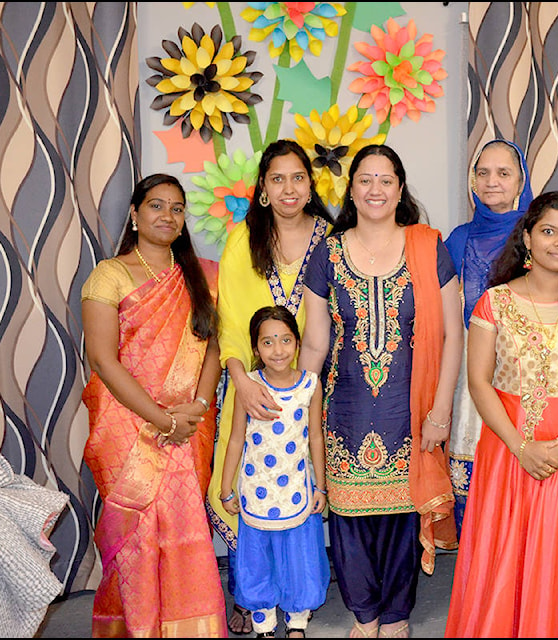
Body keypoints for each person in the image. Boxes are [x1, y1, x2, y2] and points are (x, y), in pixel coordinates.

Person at [299, 144, 463, 639]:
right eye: (365, 180)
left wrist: (440, 411)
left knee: (399, 518)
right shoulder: (327, 251)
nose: (375, 189)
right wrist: (298, 409)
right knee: (349, 519)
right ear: (351, 189)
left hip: (409, 407)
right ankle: (364, 615)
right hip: (344, 407)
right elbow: (313, 339)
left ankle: (396, 617)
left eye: (385, 180)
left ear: (399, 188)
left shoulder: (428, 245)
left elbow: (453, 333)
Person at [444, 191, 558, 637]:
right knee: (503, 556)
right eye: (549, 231)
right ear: (527, 237)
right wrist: (521, 447)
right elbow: (479, 382)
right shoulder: (494, 302)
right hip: (506, 447)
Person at [81, 173, 226, 637]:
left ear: (184, 221)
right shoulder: (111, 274)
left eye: (177, 209)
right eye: (157, 206)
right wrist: (161, 418)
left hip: (188, 424)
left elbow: (213, 350)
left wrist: (198, 407)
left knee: (186, 533)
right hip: (127, 426)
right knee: (139, 539)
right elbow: (103, 359)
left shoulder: (204, 276)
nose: (167, 216)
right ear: (135, 214)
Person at [206, 139, 333, 635]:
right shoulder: (244, 240)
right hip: (251, 386)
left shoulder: (331, 237)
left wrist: (308, 380)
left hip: (311, 389)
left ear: (310, 184)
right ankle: (251, 594)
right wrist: (242, 381)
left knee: (302, 487)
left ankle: (297, 597)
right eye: (276, 178)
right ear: (262, 188)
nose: (288, 188)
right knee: (243, 482)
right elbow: (232, 320)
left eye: (297, 177)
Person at [219, 305, 330, 639]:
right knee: (258, 558)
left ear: (297, 343)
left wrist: (320, 488)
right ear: (256, 348)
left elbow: (315, 437)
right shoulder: (249, 386)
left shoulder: (310, 385)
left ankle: (297, 621)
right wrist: (226, 489)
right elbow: (236, 439)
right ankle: (264, 622)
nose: (278, 349)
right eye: (268, 342)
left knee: (299, 557)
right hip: (256, 489)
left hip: (297, 487)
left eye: (285, 340)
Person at [444, 139, 533, 535]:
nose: (492, 181)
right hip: (470, 377)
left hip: (529, 377)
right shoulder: (459, 240)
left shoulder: (541, 234)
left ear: (520, 182)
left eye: (503, 173)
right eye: (483, 173)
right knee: (475, 484)